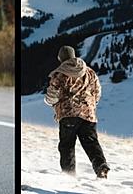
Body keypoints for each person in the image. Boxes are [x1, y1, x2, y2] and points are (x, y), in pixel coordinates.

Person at [44, 45, 110, 179]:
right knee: (91, 142)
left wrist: (50, 102)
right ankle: (101, 166)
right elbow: (97, 92)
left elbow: (52, 95)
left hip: (68, 115)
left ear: (61, 58)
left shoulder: (60, 74)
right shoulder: (90, 72)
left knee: (67, 145)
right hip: (88, 114)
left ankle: (69, 175)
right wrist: (89, 105)